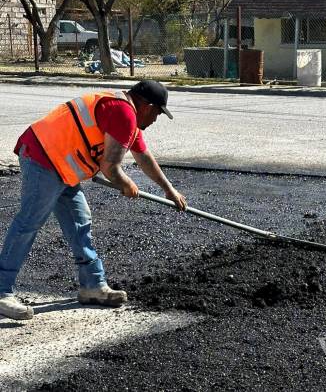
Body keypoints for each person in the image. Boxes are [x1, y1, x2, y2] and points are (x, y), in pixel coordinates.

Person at [0, 80, 187, 320]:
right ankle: (2, 290)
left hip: (62, 166)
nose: (155, 120)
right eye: (157, 114)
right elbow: (110, 167)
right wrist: (126, 184)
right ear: (147, 106)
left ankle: (92, 285)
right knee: (29, 223)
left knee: (80, 221)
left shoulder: (126, 114)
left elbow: (143, 156)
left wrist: (169, 190)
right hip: (43, 157)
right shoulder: (123, 113)